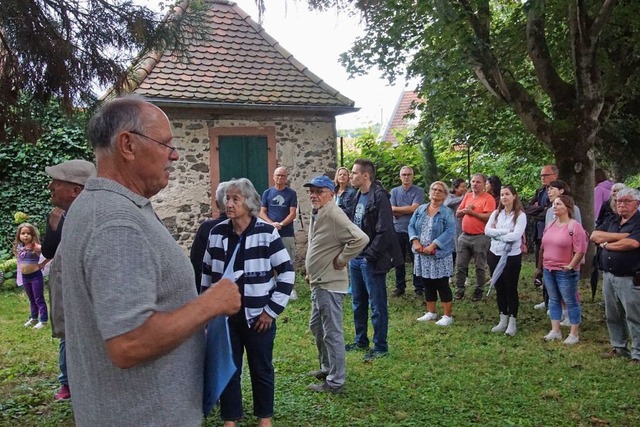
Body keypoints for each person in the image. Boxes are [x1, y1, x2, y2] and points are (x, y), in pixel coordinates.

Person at [58, 95, 241, 426]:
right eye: (166, 144)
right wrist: (211, 304)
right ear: (127, 145)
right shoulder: (116, 221)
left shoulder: (95, 205)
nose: (174, 155)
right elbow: (128, 343)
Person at [202, 177, 294, 427]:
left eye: (235, 199)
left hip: (258, 316)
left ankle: (265, 418)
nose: (228, 204)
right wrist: (208, 312)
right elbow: (208, 275)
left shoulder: (267, 233)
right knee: (228, 367)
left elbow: (286, 272)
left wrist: (271, 311)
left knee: (261, 367)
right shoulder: (217, 232)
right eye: (226, 199)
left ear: (249, 202)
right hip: (225, 316)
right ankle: (230, 419)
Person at [303, 175, 369, 393]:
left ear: (331, 193)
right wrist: (310, 270)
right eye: (312, 191)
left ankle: (335, 381)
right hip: (318, 280)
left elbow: (360, 238)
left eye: (319, 191)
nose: (314, 195)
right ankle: (327, 367)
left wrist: (341, 260)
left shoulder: (333, 213)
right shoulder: (319, 212)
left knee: (332, 332)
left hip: (330, 284)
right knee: (317, 326)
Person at [41, 158, 96, 402]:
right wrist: (53, 228)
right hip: (66, 293)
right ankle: (69, 382)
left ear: (76, 190)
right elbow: (49, 252)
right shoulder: (57, 216)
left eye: (57, 183)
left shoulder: (95, 216)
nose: (50, 187)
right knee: (67, 337)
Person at [346, 158, 401, 361]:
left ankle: (380, 346)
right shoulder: (356, 196)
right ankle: (361, 340)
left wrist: (370, 256)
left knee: (377, 304)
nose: (351, 176)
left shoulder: (380, 197)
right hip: (356, 258)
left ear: (365, 175)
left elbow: (385, 230)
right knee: (357, 301)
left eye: (354, 173)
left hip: (372, 260)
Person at [591, 187, 640, 363]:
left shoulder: (638, 222)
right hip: (609, 275)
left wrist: (607, 244)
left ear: (637, 203)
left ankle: (638, 352)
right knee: (612, 313)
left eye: (626, 201)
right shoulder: (612, 219)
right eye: (619, 201)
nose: (621, 205)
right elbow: (595, 235)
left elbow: (632, 243)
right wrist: (619, 236)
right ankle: (619, 346)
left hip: (630, 277)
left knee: (634, 316)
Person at [538, 195, 587, 345]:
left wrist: (571, 265)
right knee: (553, 299)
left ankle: (574, 333)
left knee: (570, 300)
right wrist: (541, 265)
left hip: (565, 270)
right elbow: (543, 246)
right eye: (553, 204)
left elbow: (580, 250)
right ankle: (555, 330)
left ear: (567, 207)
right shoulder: (551, 224)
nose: (554, 206)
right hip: (549, 268)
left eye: (558, 204)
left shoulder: (574, 226)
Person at [411, 181, 457, 326]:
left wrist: (434, 244)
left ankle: (447, 316)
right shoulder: (421, 209)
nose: (436, 192)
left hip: (439, 254)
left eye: (440, 190)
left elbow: (450, 231)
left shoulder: (446, 212)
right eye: (434, 189)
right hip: (422, 253)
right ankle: (431, 312)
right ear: (430, 192)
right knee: (427, 282)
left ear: (444, 195)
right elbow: (411, 225)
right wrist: (415, 241)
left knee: (441, 283)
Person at [484, 185, 527, 336]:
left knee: (510, 288)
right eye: (502, 195)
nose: (504, 197)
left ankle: (512, 321)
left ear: (514, 196)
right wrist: (504, 232)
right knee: (499, 286)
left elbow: (516, 236)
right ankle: (503, 317)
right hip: (494, 253)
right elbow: (487, 231)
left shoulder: (520, 215)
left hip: (511, 257)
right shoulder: (496, 214)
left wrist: (497, 234)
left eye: (507, 194)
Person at [454, 173, 496, 301]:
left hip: (480, 236)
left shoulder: (488, 199)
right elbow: (458, 213)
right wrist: (465, 210)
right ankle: (459, 289)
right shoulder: (467, 196)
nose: (474, 184)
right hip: (464, 235)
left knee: (480, 266)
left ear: (484, 184)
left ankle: (479, 290)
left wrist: (472, 212)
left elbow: (488, 217)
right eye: (472, 181)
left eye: (478, 182)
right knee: (460, 264)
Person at [259, 166, 298, 299]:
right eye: (278, 175)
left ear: (286, 178)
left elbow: (292, 213)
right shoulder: (267, 193)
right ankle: (274, 287)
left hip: (286, 233)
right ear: (273, 177)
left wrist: (281, 224)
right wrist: (271, 224)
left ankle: (290, 289)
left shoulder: (291, 193)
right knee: (271, 261)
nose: (280, 178)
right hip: (270, 233)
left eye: (282, 176)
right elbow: (261, 211)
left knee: (289, 260)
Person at [526, 164, 558, 310]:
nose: (543, 178)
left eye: (546, 175)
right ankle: (546, 299)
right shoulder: (540, 192)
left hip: (553, 236)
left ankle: (554, 301)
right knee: (541, 268)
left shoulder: (559, 192)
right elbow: (529, 209)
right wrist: (541, 208)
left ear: (555, 176)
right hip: (539, 235)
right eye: (541, 176)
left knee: (552, 268)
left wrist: (541, 210)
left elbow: (550, 212)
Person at [390, 166, 425, 297]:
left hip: (413, 230)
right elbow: (391, 209)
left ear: (412, 176)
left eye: (409, 174)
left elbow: (414, 209)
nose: (406, 177)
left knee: (416, 259)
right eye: (404, 174)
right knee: (399, 260)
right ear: (400, 177)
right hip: (397, 229)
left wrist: (398, 210)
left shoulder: (418, 191)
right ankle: (400, 287)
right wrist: (407, 209)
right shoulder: (394, 191)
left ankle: (419, 287)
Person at [189, 181, 229, 293]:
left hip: (213, 292)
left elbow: (197, 263)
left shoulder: (207, 227)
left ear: (216, 204)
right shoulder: (250, 227)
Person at [14, 223, 47, 329]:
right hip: (25, 277)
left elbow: (49, 253)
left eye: (28, 233)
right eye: (23, 233)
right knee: (31, 298)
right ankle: (34, 318)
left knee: (38, 298)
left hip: (35, 276)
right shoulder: (20, 247)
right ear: (19, 235)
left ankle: (43, 320)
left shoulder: (35, 247)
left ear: (33, 235)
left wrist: (43, 264)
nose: (25, 236)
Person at [444, 178, 468, 268]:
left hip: (462, 227)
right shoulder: (449, 196)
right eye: (462, 186)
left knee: (464, 252)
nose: (465, 188)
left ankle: (465, 276)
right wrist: (463, 198)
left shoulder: (467, 197)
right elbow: (447, 203)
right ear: (456, 188)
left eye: (465, 186)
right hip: (452, 229)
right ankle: (449, 274)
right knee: (452, 252)